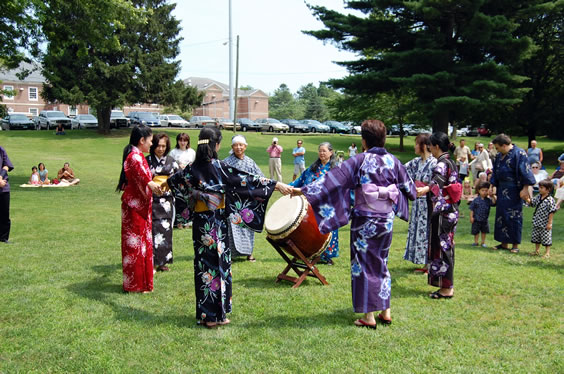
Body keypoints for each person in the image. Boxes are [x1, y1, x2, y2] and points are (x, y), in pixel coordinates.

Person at [292, 120, 416, 328]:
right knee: (381, 262)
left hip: (365, 221)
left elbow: (332, 180)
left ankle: (369, 317)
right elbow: (410, 190)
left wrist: (302, 190)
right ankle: (386, 311)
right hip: (386, 221)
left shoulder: (359, 160)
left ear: (364, 140)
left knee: (364, 265)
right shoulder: (394, 161)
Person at [167, 126, 292, 328]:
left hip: (201, 224)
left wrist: (189, 196)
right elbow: (246, 181)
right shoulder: (219, 166)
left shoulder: (191, 168)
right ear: (216, 145)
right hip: (216, 222)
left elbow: (174, 182)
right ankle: (213, 316)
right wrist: (276, 185)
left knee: (204, 267)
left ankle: (210, 314)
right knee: (218, 265)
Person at [116, 125, 163, 293]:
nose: (152, 144)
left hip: (137, 208)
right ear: (142, 140)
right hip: (135, 209)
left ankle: (139, 283)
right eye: (150, 141)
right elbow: (146, 181)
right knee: (135, 247)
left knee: (139, 246)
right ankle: (136, 285)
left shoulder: (137, 156)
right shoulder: (135, 158)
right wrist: (160, 187)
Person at [416, 132, 460, 299]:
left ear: (435, 146)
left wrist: (425, 189)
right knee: (447, 247)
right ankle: (447, 286)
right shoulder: (451, 161)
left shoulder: (441, 163)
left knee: (442, 249)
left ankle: (446, 289)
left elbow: (437, 182)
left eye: (430, 145)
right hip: (451, 210)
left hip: (443, 212)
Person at [290, 142, 341, 265]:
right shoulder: (312, 169)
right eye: (320, 151)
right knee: (313, 230)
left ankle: (327, 256)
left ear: (331, 152)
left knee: (329, 231)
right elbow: (300, 181)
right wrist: (287, 187)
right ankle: (312, 254)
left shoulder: (336, 169)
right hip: (312, 205)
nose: (322, 153)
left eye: (324, 151)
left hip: (329, 206)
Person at [489, 134, 535, 253]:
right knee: (501, 216)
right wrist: (492, 185)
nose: (496, 150)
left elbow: (525, 171)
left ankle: (515, 245)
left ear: (504, 145)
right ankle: (503, 243)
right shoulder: (499, 156)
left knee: (514, 216)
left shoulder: (519, 154)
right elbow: (495, 172)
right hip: (501, 189)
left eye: (497, 147)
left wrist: (525, 189)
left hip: (515, 190)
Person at [223, 135, 265, 262]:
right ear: (232, 147)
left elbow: (260, 177)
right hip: (232, 200)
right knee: (232, 227)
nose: (238, 147)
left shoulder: (250, 162)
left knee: (248, 226)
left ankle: (249, 253)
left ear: (245, 146)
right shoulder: (226, 162)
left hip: (247, 200)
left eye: (241, 145)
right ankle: (231, 254)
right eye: (236, 145)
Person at [146, 133, 179, 272]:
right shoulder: (146, 160)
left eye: (163, 146)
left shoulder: (172, 161)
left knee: (166, 230)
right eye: (158, 145)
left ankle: (163, 262)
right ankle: (151, 261)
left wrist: (169, 182)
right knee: (152, 230)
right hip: (151, 200)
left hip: (167, 201)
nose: (160, 149)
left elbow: (178, 178)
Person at [403, 133, 437, 272]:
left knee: (427, 231)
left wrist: (426, 187)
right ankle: (424, 261)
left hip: (428, 201)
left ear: (423, 145)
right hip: (418, 201)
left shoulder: (434, 163)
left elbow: (438, 182)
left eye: (417, 143)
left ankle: (430, 262)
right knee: (418, 230)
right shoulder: (416, 162)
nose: (415, 146)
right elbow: (401, 171)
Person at [168, 133, 196, 229]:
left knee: (188, 200)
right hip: (177, 179)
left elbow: (195, 165)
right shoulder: (173, 152)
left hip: (188, 180)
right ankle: (179, 222)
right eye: (181, 140)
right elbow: (170, 165)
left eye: (185, 140)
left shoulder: (192, 152)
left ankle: (188, 222)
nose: (183, 142)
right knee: (179, 200)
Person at [527, 179, 556, 258]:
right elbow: (533, 203)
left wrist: (549, 223)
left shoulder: (550, 200)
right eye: (539, 187)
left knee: (546, 237)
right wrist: (526, 198)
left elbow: (552, 212)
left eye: (541, 188)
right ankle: (537, 250)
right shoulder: (539, 197)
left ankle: (547, 252)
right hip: (537, 220)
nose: (539, 189)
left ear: (548, 189)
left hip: (545, 222)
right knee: (537, 237)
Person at [469, 181, 496, 248]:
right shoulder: (476, 200)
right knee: (476, 231)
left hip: (484, 219)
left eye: (486, 190)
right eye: (482, 190)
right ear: (479, 191)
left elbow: (494, 203)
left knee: (484, 231)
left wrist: (493, 195)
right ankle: (476, 242)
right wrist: (471, 217)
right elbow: (472, 209)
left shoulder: (488, 200)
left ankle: (483, 242)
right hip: (476, 219)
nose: (484, 192)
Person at [0, 146, 14, 244]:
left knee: (4, 213)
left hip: (3, 188)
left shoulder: (1, 149)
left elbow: (6, 166)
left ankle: (3, 237)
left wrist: (0, 177)